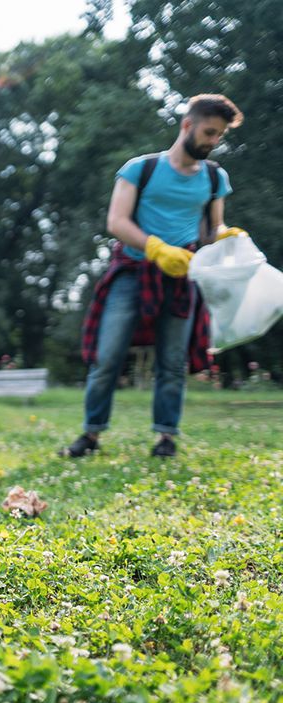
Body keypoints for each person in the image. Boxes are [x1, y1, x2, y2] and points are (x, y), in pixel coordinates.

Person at [63, 94, 246, 460]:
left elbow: (212, 229)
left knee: (172, 362)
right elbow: (116, 222)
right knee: (108, 357)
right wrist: (156, 248)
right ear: (187, 125)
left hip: (183, 275)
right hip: (133, 272)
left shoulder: (214, 177)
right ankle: (91, 434)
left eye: (219, 136)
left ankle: (166, 438)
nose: (213, 141)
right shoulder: (140, 169)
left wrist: (225, 235)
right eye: (209, 132)